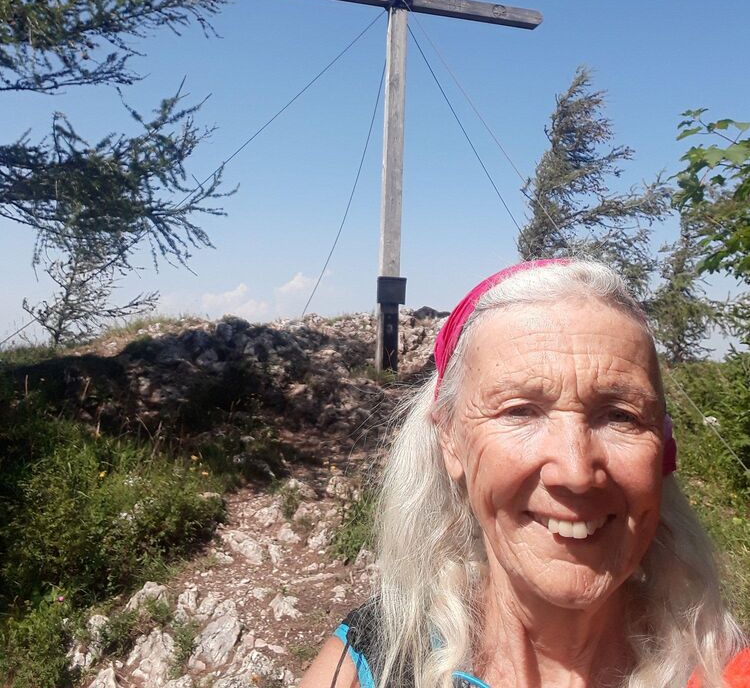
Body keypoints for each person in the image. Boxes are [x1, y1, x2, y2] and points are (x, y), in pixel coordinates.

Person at [301, 259, 749, 688]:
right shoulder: (375, 664)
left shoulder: (728, 673)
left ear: (663, 448)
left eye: (620, 416)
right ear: (450, 440)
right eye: (520, 411)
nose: (575, 472)